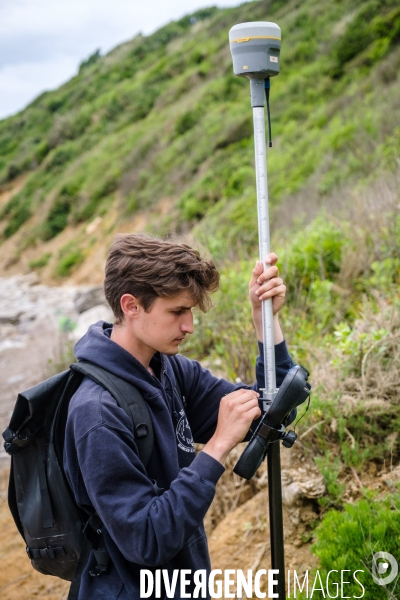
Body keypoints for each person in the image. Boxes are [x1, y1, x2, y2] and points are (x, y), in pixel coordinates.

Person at [63, 233, 294, 600]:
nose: (189, 326)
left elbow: (275, 410)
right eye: (176, 312)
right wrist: (217, 446)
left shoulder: (169, 370)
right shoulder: (97, 414)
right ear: (131, 305)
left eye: (190, 311)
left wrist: (264, 321)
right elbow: (146, 540)